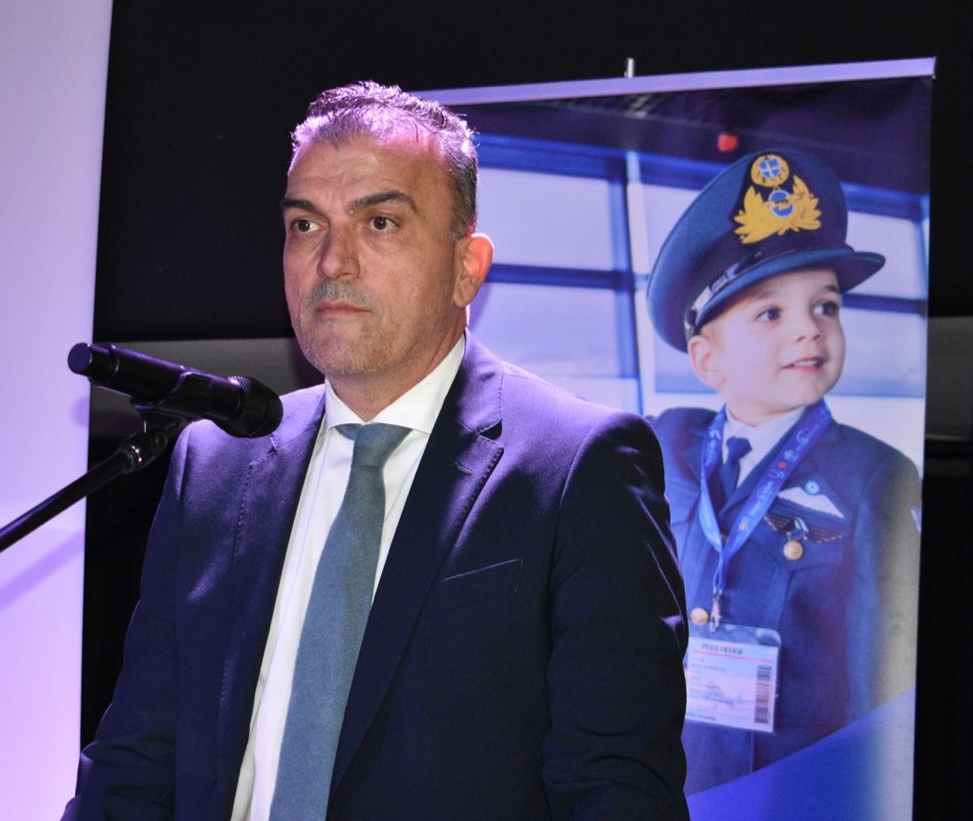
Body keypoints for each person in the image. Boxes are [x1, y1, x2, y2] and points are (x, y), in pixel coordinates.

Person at [62, 82, 690, 819]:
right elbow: (134, 763)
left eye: (380, 222)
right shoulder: (216, 464)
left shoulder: (577, 468)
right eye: (305, 225)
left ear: (467, 266)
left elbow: (616, 793)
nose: (333, 261)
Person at [644, 149, 922, 792]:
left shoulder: (875, 476)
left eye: (826, 307)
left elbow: (884, 685)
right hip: (672, 784)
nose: (810, 331)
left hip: (797, 791)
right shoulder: (667, 446)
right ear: (707, 360)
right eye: (771, 313)